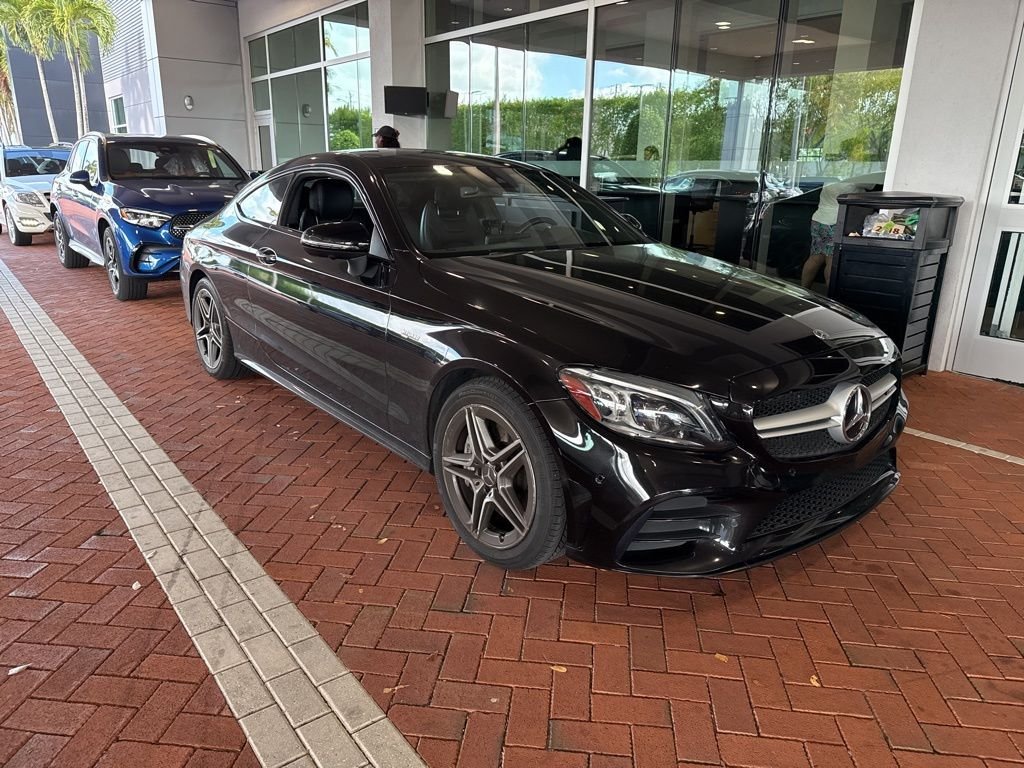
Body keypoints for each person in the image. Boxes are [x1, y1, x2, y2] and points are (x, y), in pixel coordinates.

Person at [801, 172, 884, 289]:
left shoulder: (830, 176)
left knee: (815, 257)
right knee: (832, 260)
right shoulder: (855, 178)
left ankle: (804, 289)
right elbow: (873, 184)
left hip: (818, 220)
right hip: (835, 222)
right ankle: (831, 297)